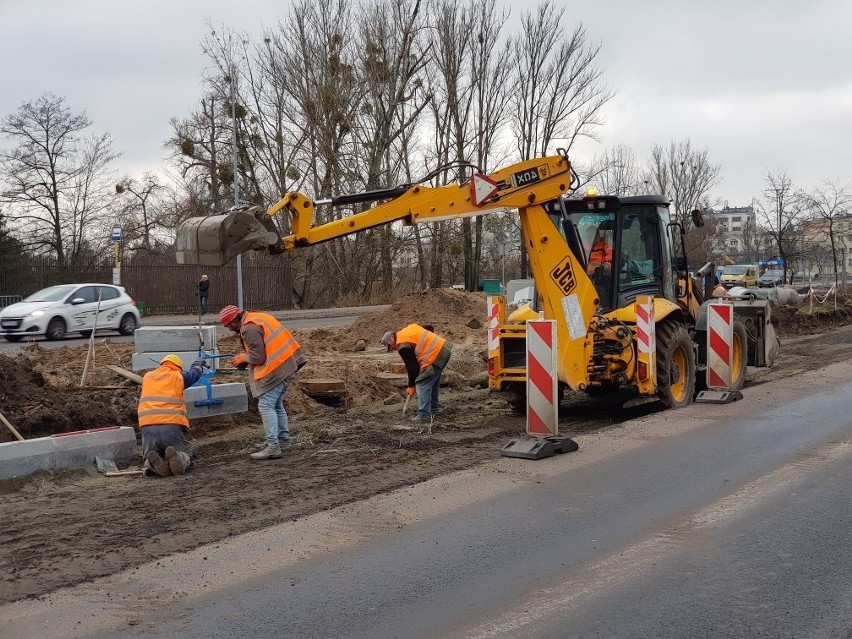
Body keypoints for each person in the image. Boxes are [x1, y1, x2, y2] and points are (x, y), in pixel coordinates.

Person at [220, 304, 307, 460]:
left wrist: (243, 358)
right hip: (290, 362)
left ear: (234, 320)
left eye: (228, 325)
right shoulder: (259, 317)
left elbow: (258, 357)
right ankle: (283, 440)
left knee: (266, 405)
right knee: (276, 404)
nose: (229, 329)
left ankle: (273, 445)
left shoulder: (248, 328)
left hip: (278, 368)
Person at [137, 354, 205, 477]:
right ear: (178, 367)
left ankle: (152, 462)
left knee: (149, 454)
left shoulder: (147, 377)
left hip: (147, 427)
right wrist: (198, 363)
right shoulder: (177, 376)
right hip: (171, 426)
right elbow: (195, 374)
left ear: (162, 364)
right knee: (184, 453)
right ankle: (177, 458)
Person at [380, 324, 452, 424]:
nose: (392, 349)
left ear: (392, 338)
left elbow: (412, 367)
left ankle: (424, 415)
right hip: (444, 349)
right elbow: (429, 327)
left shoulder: (402, 345)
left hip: (435, 354)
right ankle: (433, 409)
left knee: (422, 383)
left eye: (389, 346)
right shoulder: (408, 330)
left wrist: (411, 385)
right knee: (432, 381)